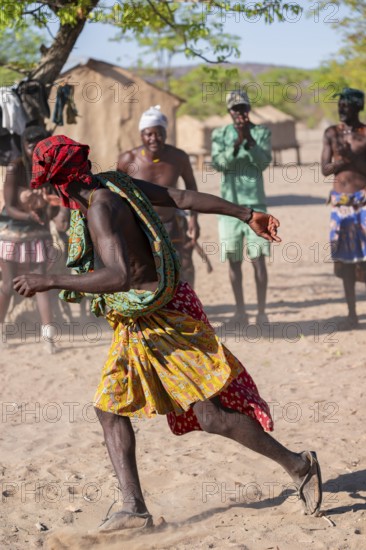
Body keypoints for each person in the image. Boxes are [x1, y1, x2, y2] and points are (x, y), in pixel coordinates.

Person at [14, 136, 322, 531]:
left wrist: (50, 280)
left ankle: (299, 465)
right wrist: (245, 214)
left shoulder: (101, 208)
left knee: (210, 416)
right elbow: (181, 197)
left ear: (60, 183)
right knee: (110, 408)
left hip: (162, 318)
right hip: (146, 317)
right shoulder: (115, 183)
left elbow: (119, 275)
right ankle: (134, 508)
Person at [117, 105, 199, 287]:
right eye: (149, 134)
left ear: (165, 133)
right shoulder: (127, 160)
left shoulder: (178, 158)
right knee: (141, 271)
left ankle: (186, 305)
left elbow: (191, 187)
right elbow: (117, 193)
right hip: (139, 227)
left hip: (171, 224)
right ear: (141, 135)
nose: (154, 138)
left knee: (183, 266)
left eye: (159, 133)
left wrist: (194, 219)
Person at [211, 91, 272, 326]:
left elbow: (264, 162)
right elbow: (218, 163)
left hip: (256, 204)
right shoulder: (220, 135)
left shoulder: (261, 132)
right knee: (234, 260)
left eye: (244, 109)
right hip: (229, 207)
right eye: (236, 110)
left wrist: (250, 141)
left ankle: (262, 312)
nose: (240, 114)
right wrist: (236, 145)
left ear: (249, 110)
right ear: (229, 111)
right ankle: (240, 312)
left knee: (258, 259)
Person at [0, 125, 58, 352]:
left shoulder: (50, 168)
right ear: (24, 147)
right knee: (9, 281)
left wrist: (50, 212)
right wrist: (30, 215)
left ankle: (48, 336)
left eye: (40, 147)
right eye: (30, 146)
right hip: (12, 229)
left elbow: (54, 203)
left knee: (40, 281)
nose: (35, 152)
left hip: (38, 228)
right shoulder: (16, 168)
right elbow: (10, 206)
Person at [321, 87, 366, 329]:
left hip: (364, 203)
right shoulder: (331, 134)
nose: (341, 109)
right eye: (339, 104)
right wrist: (342, 160)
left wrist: (355, 160)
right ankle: (352, 315)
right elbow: (325, 169)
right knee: (345, 263)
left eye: (346, 105)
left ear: (358, 107)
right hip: (341, 205)